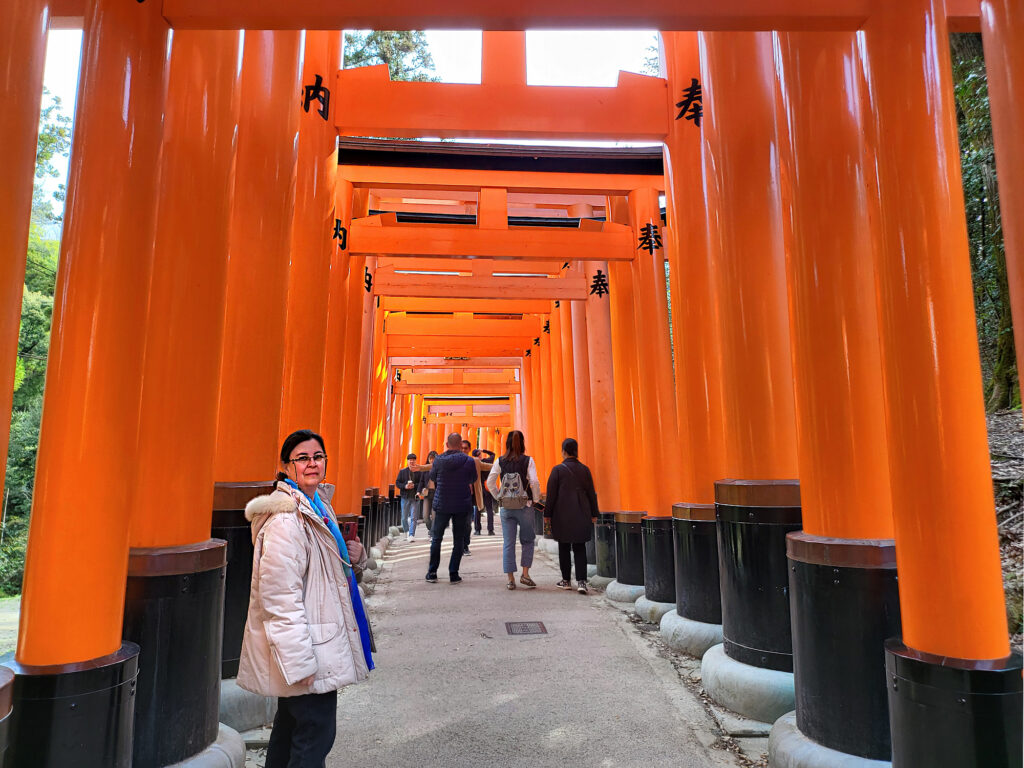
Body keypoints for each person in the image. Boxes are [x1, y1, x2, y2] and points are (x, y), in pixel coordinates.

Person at [238, 429, 374, 767]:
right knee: (314, 735)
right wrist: (298, 664)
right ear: (286, 466)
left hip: (318, 639)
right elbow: (279, 599)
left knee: (290, 732)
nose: (312, 464)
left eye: (318, 457)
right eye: (302, 458)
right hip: (308, 647)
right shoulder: (287, 520)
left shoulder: (317, 505)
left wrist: (354, 557)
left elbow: (329, 575)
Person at [485, 430, 541, 590]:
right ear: (522, 443)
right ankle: (525, 574)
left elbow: (490, 483)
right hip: (525, 506)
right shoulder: (528, 460)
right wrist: (535, 500)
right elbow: (535, 482)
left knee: (508, 543)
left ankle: (510, 579)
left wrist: (499, 498)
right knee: (528, 541)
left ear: (507, 444)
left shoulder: (500, 461)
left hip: (507, 508)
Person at [544, 437, 600, 594]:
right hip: (582, 513)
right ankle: (582, 582)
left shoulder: (557, 470)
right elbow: (591, 494)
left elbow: (551, 495)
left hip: (562, 515)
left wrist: (547, 514)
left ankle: (566, 580)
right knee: (580, 547)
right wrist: (594, 513)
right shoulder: (585, 469)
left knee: (564, 547)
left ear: (563, 451)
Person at [425, 433, 480, 584]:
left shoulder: (438, 460)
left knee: (437, 538)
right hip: (462, 504)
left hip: (442, 503)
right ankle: (453, 573)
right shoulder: (468, 460)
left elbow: (433, 477)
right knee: (459, 540)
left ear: (447, 445)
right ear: (461, 443)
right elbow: (473, 478)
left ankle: (432, 572)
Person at [395, 453, 423, 541]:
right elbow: (397, 482)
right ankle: (407, 531)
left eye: (413, 460)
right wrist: (405, 486)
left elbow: (422, 483)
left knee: (414, 517)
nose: (412, 461)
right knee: (404, 517)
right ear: (407, 461)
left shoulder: (419, 472)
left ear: (415, 461)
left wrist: (414, 486)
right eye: (410, 460)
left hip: (415, 497)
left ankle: (411, 534)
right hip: (405, 497)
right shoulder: (402, 472)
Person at [472, 448, 497, 535]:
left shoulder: (473, 464)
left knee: (477, 509)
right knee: (489, 509)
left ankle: (477, 530)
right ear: (480, 455)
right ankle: (490, 530)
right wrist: (484, 450)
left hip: (478, 489)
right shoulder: (487, 461)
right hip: (487, 488)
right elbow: (493, 454)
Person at [416, 450, 438, 535]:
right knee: (425, 517)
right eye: (430, 458)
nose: (432, 460)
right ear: (428, 459)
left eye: (434, 459)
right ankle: (431, 529)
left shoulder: (439, 469)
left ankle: (433, 532)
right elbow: (421, 482)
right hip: (427, 494)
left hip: (436, 494)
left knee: (434, 515)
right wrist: (418, 492)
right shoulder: (425, 469)